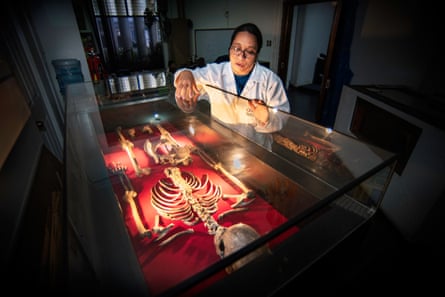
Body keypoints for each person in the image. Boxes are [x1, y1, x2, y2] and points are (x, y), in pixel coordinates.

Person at [173, 23, 290, 137]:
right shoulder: (215, 72)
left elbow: (282, 118)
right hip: (221, 143)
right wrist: (185, 73)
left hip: (255, 148)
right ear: (229, 49)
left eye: (249, 51)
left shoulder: (271, 81)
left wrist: (266, 119)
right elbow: (189, 76)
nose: (241, 56)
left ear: (257, 55)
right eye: (237, 48)